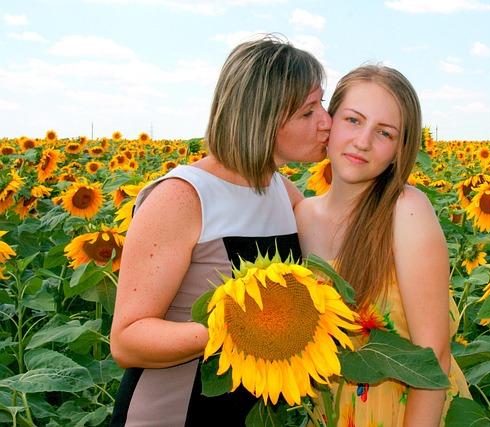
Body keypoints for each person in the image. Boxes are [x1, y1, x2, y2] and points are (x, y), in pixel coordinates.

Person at [109, 35, 331, 426]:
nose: (325, 123)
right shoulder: (182, 197)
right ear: (262, 116)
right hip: (174, 410)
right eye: (308, 111)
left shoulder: (281, 189)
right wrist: (241, 329)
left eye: (322, 105)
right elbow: (128, 340)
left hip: (251, 410)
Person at [295, 65, 469, 427]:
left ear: (400, 149)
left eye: (384, 133)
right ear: (329, 122)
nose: (363, 141)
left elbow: (433, 355)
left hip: (408, 412)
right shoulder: (300, 216)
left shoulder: (405, 211)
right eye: (354, 120)